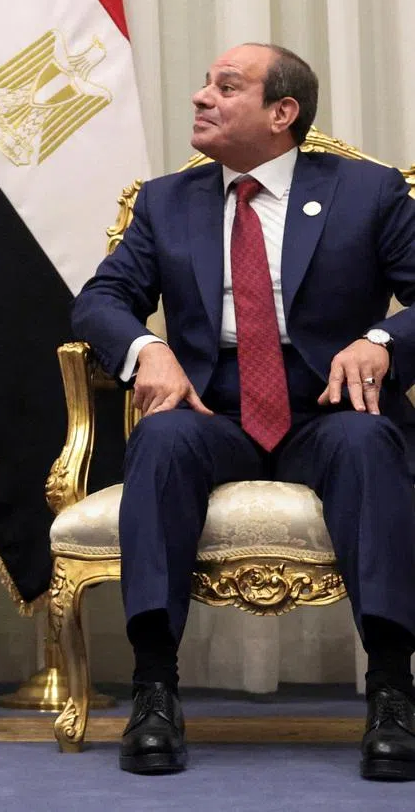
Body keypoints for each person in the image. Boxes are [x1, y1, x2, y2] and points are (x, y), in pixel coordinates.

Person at [72, 43, 415, 781]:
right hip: (213, 408)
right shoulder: (168, 202)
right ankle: (155, 690)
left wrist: (382, 339)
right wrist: (144, 351)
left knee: (368, 445)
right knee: (160, 441)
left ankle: (392, 690)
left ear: (282, 113)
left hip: (328, 405)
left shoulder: (370, 192)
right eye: (205, 84)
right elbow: (99, 300)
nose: (201, 97)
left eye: (226, 87)